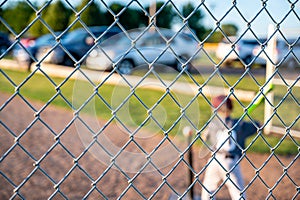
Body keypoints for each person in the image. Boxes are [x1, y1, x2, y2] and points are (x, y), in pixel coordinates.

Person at [201, 95, 260, 200]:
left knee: (208, 189)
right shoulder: (240, 124)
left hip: (214, 160)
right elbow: (257, 126)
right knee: (238, 192)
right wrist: (254, 123)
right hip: (231, 162)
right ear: (231, 108)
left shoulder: (212, 123)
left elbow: (205, 136)